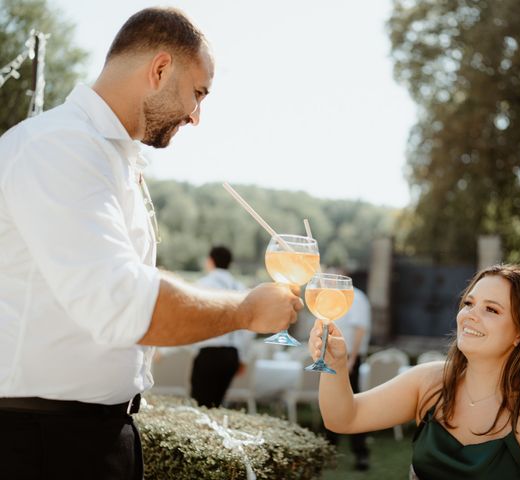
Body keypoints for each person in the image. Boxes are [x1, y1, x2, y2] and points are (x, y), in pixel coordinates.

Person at [0, 8, 302, 480]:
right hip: (41, 443)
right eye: (198, 93)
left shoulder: (110, 156)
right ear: (160, 70)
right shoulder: (59, 146)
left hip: (92, 434)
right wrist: (244, 312)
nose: (197, 116)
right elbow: (121, 300)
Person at [308, 264, 520, 480]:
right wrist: (335, 363)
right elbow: (344, 418)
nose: (470, 315)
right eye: (468, 303)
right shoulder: (429, 383)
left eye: (491, 309)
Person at [190, 245, 256, 408]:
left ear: (210, 261)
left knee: (200, 405)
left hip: (209, 353)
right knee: (217, 404)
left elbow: (190, 320)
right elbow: (249, 329)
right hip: (231, 355)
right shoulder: (240, 288)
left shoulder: (202, 285)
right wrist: (243, 357)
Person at [325, 284, 371, 471]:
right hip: (335, 356)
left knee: (352, 403)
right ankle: (328, 451)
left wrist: (351, 358)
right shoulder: (336, 297)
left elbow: (360, 328)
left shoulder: (356, 297)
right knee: (330, 401)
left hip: (348, 358)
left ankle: (361, 454)